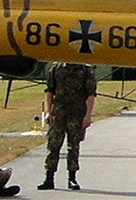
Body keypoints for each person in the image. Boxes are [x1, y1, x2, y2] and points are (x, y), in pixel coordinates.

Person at [39, 62, 97, 190]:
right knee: (53, 145)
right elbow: (49, 91)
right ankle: (49, 177)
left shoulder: (85, 70)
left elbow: (91, 95)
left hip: (76, 114)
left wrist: (88, 116)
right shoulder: (56, 68)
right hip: (58, 113)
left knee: (73, 146)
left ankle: (72, 178)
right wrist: (48, 112)